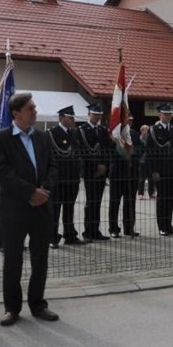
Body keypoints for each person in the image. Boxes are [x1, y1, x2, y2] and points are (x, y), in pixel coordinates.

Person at [0, 93, 60, 326]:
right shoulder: (0, 139)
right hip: (14, 210)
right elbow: (3, 173)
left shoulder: (42, 138)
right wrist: (31, 193)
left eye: (35, 107)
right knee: (13, 260)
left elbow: (52, 166)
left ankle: (38, 304)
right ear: (16, 113)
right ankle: (12, 308)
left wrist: (44, 191)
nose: (35, 111)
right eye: (30, 108)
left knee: (40, 259)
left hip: (42, 207)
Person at [147, 103, 173, 235]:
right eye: (165, 114)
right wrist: (154, 170)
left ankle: (169, 224)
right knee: (162, 199)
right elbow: (150, 152)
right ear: (159, 115)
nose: (168, 116)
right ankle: (162, 226)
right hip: (161, 170)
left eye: (170, 114)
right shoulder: (154, 130)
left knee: (171, 198)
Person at [47, 105, 84, 247]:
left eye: (73, 117)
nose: (73, 120)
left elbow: (77, 153)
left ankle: (70, 235)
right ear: (61, 118)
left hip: (72, 178)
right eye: (70, 117)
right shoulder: (51, 133)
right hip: (58, 178)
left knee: (69, 208)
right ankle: (52, 237)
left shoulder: (74, 133)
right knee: (55, 209)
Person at [78, 102, 113, 242]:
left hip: (102, 171)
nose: (97, 117)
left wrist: (104, 166)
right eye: (95, 114)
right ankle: (88, 231)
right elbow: (83, 152)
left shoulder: (103, 130)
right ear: (89, 115)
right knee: (91, 202)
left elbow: (107, 149)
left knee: (97, 202)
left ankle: (95, 230)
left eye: (99, 115)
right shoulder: (82, 130)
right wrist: (96, 166)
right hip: (90, 171)